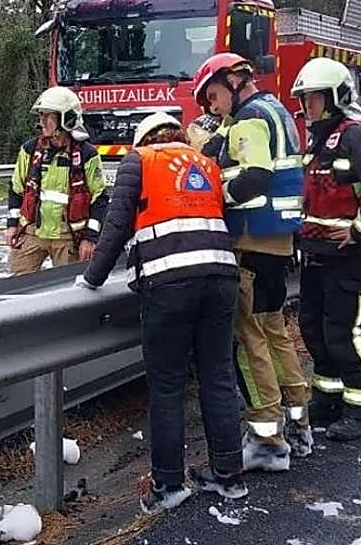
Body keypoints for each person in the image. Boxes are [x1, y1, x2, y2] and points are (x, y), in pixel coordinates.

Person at [77, 112, 246, 512]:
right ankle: (229, 477)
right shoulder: (204, 162)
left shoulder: (140, 160)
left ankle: (168, 486)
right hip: (222, 277)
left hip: (169, 283)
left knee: (168, 385)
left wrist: (92, 279)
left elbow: (116, 226)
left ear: (144, 138)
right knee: (218, 376)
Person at [191, 52, 313, 471]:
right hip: (276, 240)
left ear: (232, 83)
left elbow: (255, 175)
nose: (212, 106)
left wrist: (212, 198)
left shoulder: (248, 120)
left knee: (250, 336)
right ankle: (299, 424)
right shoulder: (276, 111)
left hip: (251, 239)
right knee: (275, 331)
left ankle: (267, 438)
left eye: (214, 96)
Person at [290, 57, 361, 441]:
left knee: (345, 333)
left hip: (346, 258)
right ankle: (328, 400)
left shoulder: (352, 136)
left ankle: (359, 409)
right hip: (316, 254)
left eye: (314, 98)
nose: (307, 106)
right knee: (314, 329)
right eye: (304, 99)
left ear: (336, 97)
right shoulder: (317, 141)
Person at [4, 87, 106, 274]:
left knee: (68, 290)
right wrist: (12, 225)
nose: (41, 121)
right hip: (31, 232)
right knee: (16, 285)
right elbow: (16, 189)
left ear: (66, 119)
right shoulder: (30, 150)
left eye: (47, 115)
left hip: (68, 237)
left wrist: (90, 238)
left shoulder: (86, 154)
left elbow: (99, 199)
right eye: (41, 115)